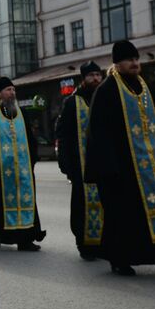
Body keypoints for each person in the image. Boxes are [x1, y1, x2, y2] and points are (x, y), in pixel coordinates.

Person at [84, 41, 155, 277]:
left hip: (154, 166)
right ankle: (120, 260)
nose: (135, 63)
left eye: (136, 59)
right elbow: (99, 133)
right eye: (129, 60)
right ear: (117, 63)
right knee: (126, 217)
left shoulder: (146, 87)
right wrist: (108, 169)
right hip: (123, 169)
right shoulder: (106, 91)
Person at [0, 76, 47, 250]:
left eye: (13, 89)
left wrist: (32, 160)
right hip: (1, 170)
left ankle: (26, 239)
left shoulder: (22, 114)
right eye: (8, 90)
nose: (12, 93)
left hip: (23, 169)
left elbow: (31, 139)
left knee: (26, 200)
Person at [54, 61, 106, 260]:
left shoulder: (104, 98)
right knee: (81, 206)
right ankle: (84, 243)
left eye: (98, 75)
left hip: (103, 164)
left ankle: (104, 242)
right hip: (80, 166)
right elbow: (63, 134)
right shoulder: (72, 102)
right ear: (83, 78)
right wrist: (66, 163)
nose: (96, 79)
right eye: (91, 75)